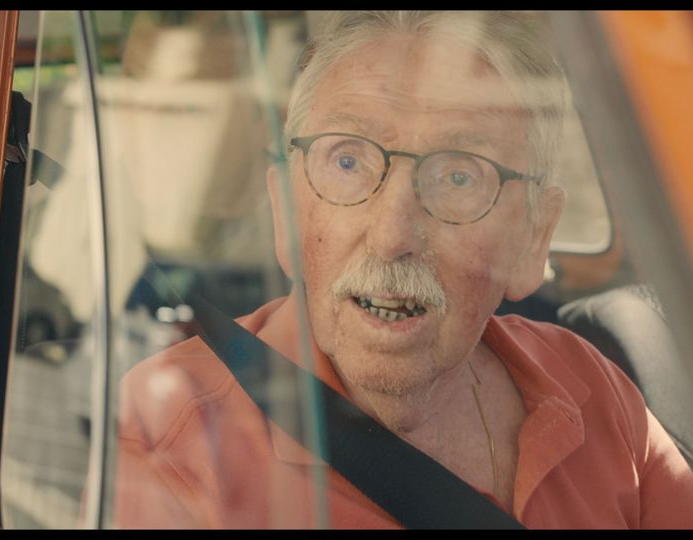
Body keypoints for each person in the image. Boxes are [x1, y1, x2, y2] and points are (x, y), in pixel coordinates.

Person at [110, 11, 693, 528]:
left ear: (532, 237)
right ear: (285, 211)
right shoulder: (172, 439)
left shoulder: (594, 390)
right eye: (347, 161)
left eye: (459, 176)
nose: (392, 237)